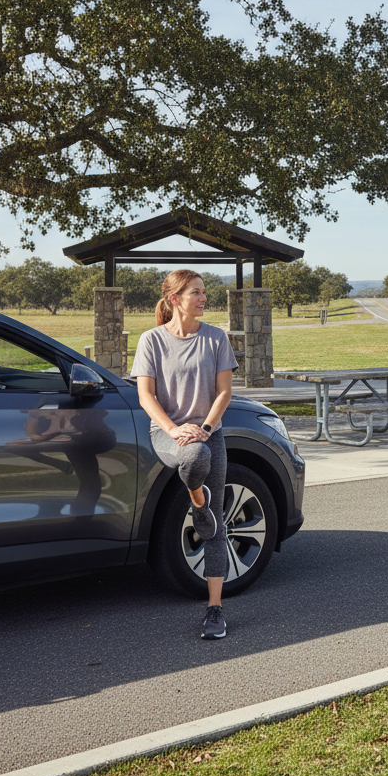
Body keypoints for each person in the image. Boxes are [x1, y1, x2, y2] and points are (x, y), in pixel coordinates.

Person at [132, 269, 238, 638]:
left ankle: (214, 609)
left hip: (209, 432)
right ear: (175, 299)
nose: (204, 298)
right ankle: (198, 501)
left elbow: (224, 392)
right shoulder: (151, 341)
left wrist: (206, 429)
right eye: (196, 293)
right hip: (167, 433)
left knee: (216, 527)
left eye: (204, 292)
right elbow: (146, 396)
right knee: (193, 458)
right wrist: (176, 429)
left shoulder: (215, 339)